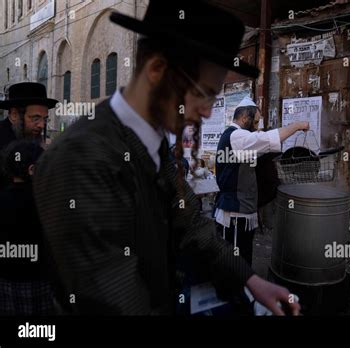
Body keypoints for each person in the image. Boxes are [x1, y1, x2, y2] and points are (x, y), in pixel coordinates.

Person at [33, 1, 300, 316]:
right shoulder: (81, 157)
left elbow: (190, 224)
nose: (208, 110)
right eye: (203, 92)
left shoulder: (152, 143)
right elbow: (113, 298)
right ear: (158, 70)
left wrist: (251, 279)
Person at [214, 96, 309, 266]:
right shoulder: (236, 136)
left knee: (243, 260)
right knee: (235, 264)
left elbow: (261, 148)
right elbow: (266, 139)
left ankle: (241, 290)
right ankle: (232, 292)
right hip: (235, 213)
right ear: (245, 118)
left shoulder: (238, 138)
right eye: (256, 123)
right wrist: (296, 126)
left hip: (243, 211)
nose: (257, 127)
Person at [0, 140, 53, 315]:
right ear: (32, 170)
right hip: (37, 279)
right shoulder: (43, 201)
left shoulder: (3, 198)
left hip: (6, 278)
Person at [0, 83, 57, 189]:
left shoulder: (33, 142)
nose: (41, 125)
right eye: (35, 118)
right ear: (14, 114)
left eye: (44, 119)